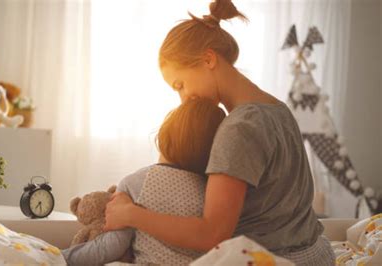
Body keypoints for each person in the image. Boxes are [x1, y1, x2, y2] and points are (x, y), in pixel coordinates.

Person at [103, 0, 336, 265]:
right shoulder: (277, 109)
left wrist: (131, 214)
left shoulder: (239, 128)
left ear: (208, 59)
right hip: (316, 253)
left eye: (181, 84)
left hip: (269, 259)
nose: (183, 98)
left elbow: (211, 234)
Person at [62, 98, 226, 265]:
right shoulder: (214, 190)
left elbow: (112, 247)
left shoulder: (136, 183)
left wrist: (61, 257)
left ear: (165, 133)